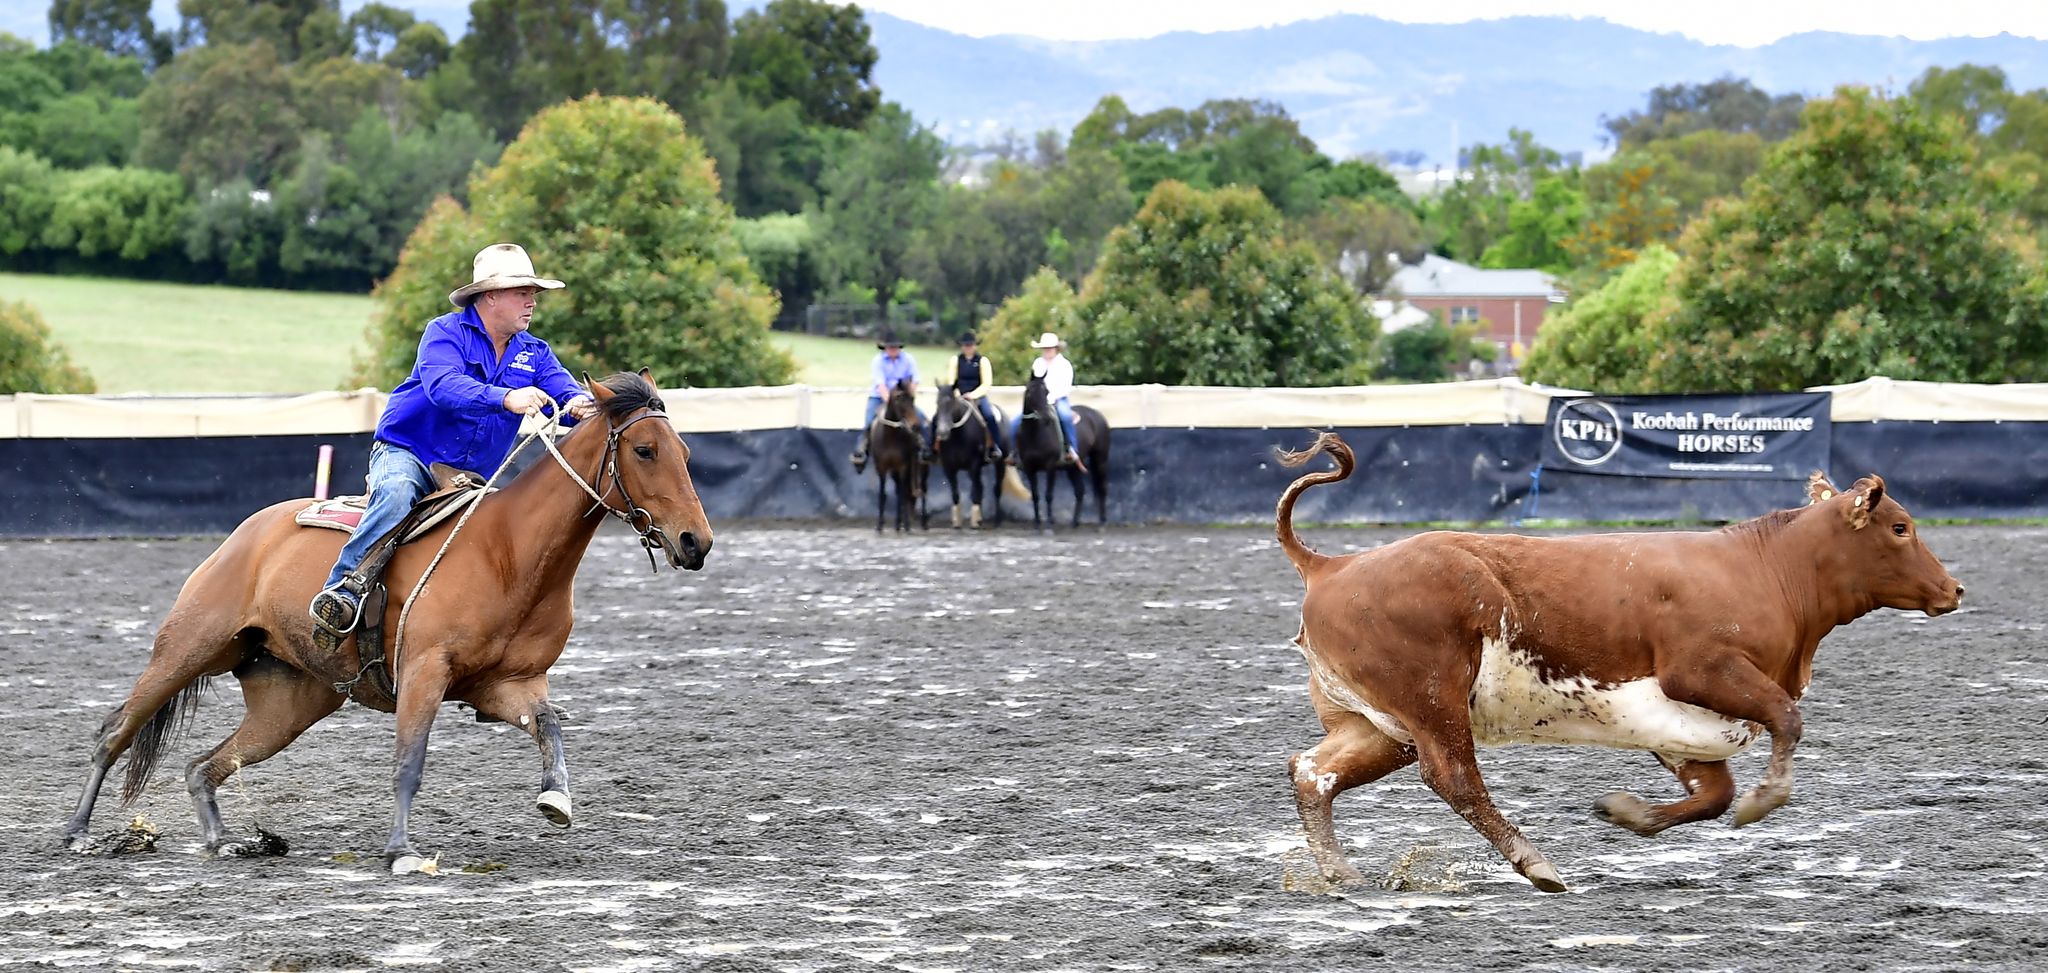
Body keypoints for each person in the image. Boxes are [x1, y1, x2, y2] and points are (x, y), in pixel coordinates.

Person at [308, 243, 598, 637]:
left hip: (471, 478)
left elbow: (563, 388)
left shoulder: (535, 352)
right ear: (490, 296)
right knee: (396, 494)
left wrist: (579, 403)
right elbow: (443, 386)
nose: (532, 302)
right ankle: (342, 592)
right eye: (522, 293)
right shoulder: (444, 333)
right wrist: (506, 398)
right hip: (410, 453)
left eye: (532, 294)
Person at [849, 331, 931, 471]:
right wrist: (890, 402)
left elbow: (915, 379)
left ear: (899, 348)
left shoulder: (908, 359)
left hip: (903, 399)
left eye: (895, 347)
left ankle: (925, 449)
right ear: (885, 348)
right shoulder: (878, 361)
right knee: (869, 420)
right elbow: (880, 385)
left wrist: (909, 396)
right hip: (880, 397)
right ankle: (861, 451)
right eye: (890, 347)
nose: (893, 349)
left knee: (920, 419)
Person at [1008, 331, 1084, 471]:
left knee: (1065, 416)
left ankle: (1071, 448)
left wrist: (1051, 398)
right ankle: (1014, 452)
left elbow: (1066, 387)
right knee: (1015, 423)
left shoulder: (1064, 364)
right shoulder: (1038, 363)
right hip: (1039, 402)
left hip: (1058, 399)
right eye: (1045, 348)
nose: (1047, 350)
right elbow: (1034, 384)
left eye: (1050, 348)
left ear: (1056, 349)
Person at [938, 331, 1005, 462]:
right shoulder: (955, 360)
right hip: (958, 396)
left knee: (989, 416)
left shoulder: (983, 361)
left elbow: (986, 383)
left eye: (970, 345)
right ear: (962, 346)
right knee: (939, 416)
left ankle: (994, 446)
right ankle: (934, 447)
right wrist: (958, 395)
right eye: (965, 345)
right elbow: (951, 381)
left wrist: (973, 395)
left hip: (978, 396)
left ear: (975, 346)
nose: (968, 347)